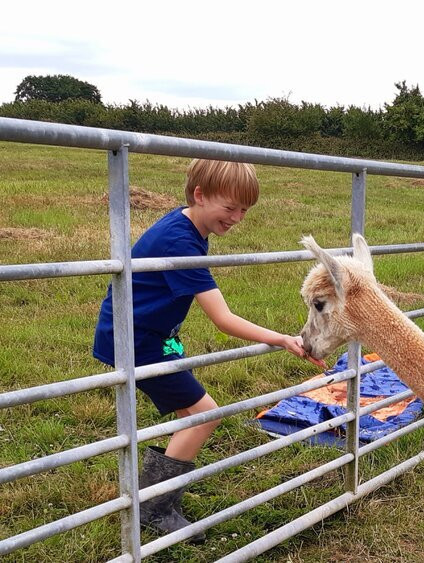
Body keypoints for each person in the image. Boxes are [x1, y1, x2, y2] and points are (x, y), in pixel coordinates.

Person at [93, 158, 325, 542]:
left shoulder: (188, 226)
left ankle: (155, 494)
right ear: (199, 195)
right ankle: (155, 507)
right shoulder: (180, 240)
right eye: (230, 207)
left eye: (244, 210)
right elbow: (222, 318)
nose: (236, 217)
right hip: (138, 342)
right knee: (204, 414)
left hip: (146, 334)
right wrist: (282, 338)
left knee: (193, 412)